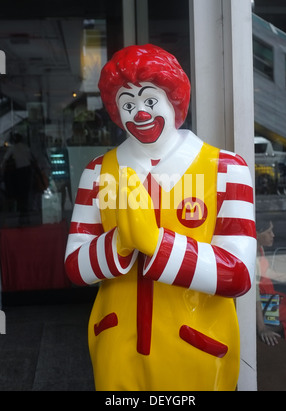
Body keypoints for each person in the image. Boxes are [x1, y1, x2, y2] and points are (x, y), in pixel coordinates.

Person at [65, 44, 256, 391]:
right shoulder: (97, 173)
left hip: (198, 349)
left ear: (174, 100)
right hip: (116, 347)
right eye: (127, 104)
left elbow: (239, 273)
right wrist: (121, 242)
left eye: (150, 100)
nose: (139, 113)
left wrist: (157, 245)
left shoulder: (226, 170)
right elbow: (76, 265)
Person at [256, 219, 286, 347]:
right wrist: (262, 328)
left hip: (271, 295)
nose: (273, 235)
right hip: (265, 303)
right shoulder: (251, 255)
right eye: (269, 232)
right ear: (256, 234)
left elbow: (268, 272)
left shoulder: (260, 248)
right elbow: (254, 297)